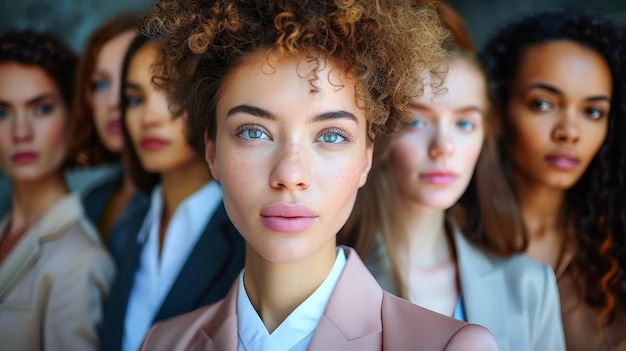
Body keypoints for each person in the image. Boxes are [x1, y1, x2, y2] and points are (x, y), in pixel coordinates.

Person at [137, 0, 499, 350]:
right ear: (212, 152)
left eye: (330, 136)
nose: (290, 174)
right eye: (253, 132)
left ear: (366, 158)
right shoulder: (164, 343)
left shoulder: (449, 346)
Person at [481, 11, 626, 351]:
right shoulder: (451, 235)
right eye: (543, 104)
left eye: (592, 112)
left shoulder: (614, 239)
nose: (569, 132)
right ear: (498, 113)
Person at [99, 34, 245, 351]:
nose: (148, 118)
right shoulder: (124, 230)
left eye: (172, 94)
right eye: (135, 99)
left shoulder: (247, 238)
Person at [0, 29, 115, 350]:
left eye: (42, 108)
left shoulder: (80, 261)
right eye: (2, 112)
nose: (20, 131)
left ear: (74, 118)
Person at [68, 14, 146, 257]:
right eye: (100, 84)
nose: (114, 102)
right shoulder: (93, 200)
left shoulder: (182, 207)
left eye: (128, 79)